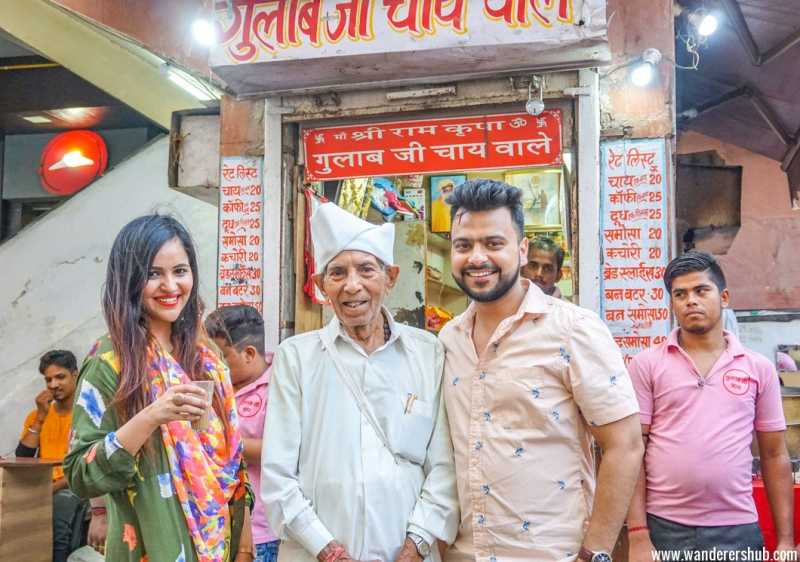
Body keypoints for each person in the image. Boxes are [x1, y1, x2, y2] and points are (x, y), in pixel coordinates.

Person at [439, 179, 643, 562]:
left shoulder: (574, 330)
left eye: (493, 244)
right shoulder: (448, 339)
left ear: (521, 249)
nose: (477, 257)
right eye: (463, 245)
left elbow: (626, 444)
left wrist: (594, 552)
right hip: (463, 553)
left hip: (551, 553)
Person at [261, 202, 459, 562]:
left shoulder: (428, 352)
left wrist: (415, 547)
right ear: (321, 285)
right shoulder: (297, 357)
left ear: (391, 277)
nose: (353, 285)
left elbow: (444, 467)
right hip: (315, 554)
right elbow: (278, 476)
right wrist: (330, 551)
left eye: (366, 269)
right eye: (337, 273)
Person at [64, 214, 253, 562]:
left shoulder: (206, 358)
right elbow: (79, 474)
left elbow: (231, 464)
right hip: (154, 546)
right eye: (154, 274)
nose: (170, 285)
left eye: (180, 271)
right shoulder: (109, 363)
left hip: (218, 544)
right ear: (129, 280)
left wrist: (243, 547)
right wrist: (152, 415)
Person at [627, 252, 795, 561]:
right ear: (673, 304)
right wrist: (638, 534)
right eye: (680, 294)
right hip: (665, 527)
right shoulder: (646, 365)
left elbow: (774, 454)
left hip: (737, 527)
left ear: (724, 297)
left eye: (701, 290)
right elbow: (632, 451)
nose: (691, 300)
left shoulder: (758, 369)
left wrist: (786, 541)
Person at [205, 305, 281, 562]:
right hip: (216, 524)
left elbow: (279, 452)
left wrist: (218, 442)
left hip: (262, 527)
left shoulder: (279, 386)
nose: (210, 364)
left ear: (248, 353)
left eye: (219, 357)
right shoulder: (216, 388)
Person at [16, 349, 88, 562]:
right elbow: (23, 459)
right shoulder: (38, 415)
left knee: (60, 505)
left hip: (73, 486)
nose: (53, 385)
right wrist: (40, 417)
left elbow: (83, 468)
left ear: (75, 375)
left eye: (60, 377)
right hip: (43, 486)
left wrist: (47, 490)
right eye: (48, 380)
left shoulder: (86, 412)